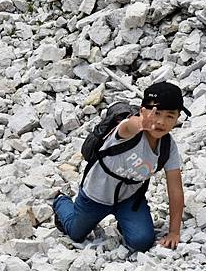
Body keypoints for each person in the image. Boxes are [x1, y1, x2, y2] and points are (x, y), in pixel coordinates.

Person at [53, 81, 190, 252]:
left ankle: (125, 222)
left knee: (142, 242)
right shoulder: (127, 131)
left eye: (170, 116)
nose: (161, 121)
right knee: (75, 233)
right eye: (156, 113)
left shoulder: (168, 147)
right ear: (142, 111)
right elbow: (128, 126)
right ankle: (61, 201)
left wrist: (174, 232)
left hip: (129, 199)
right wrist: (141, 124)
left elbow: (175, 188)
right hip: (95, 195)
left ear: (177, 118)